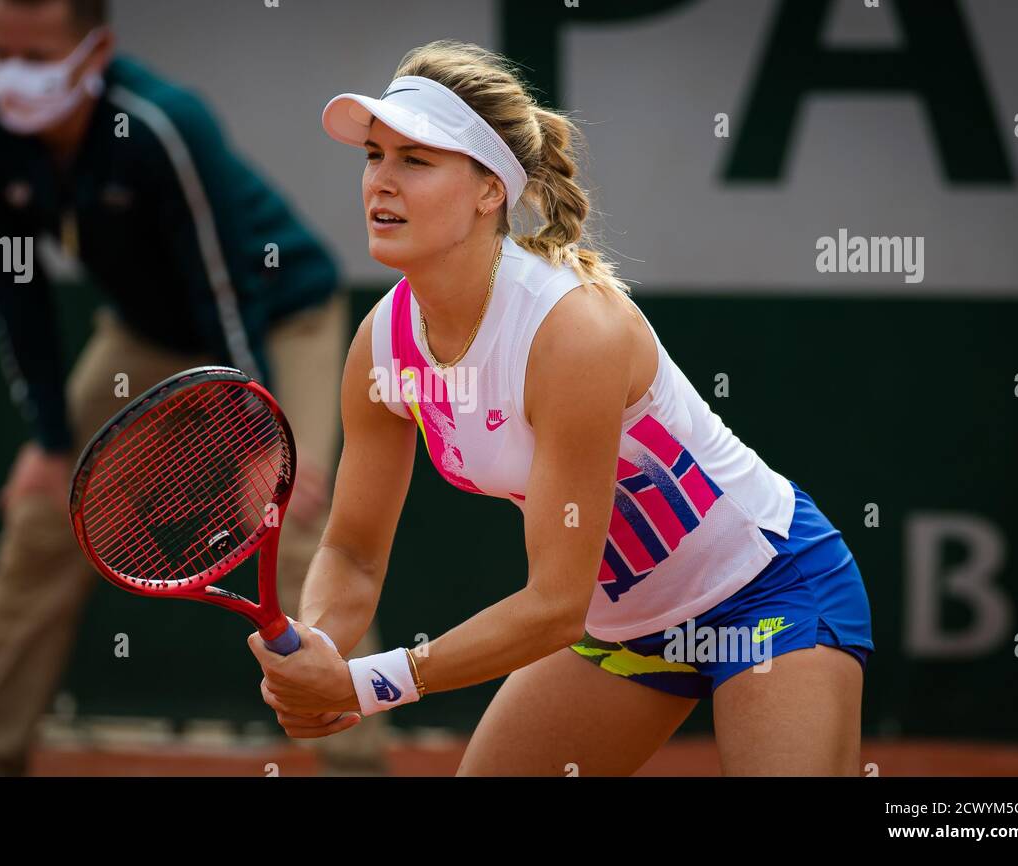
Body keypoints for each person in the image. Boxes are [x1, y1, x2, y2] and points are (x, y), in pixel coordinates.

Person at [246, 40, 875, 776]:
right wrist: (317, 648)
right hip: (624, 631)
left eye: (416, 161)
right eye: (374, 156)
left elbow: (553, 605)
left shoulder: (572, 332)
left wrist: (364, 682)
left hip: (768, 595)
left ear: (489, 191)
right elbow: (352, 551)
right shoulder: (381, 347)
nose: (381, 182)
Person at [0, 0, 389, 775]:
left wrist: (261, 443)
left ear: (97, 49)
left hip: (278, 319)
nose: (16, 75)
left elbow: (226, 288)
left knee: (288, 525)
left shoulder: (159, 125)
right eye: (0, 51)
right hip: (145, 338)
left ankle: (358, 767)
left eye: (39, 56)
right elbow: (13, 292)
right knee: (43, 522)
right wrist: (50, 442)